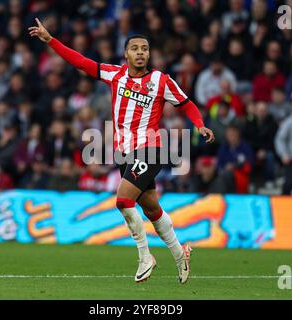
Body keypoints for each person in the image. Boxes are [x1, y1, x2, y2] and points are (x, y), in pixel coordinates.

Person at [29, 18, 215, 284]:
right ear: (126, 54)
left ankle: (144, 256)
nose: (141, 52)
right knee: (151, 209)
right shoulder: (114, 74)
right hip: (124, 153)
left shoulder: (161, 81)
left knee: (123, 201)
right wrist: (50, 40)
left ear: (149, 54)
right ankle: (179, 252)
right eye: (135, 48)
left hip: (150, 149)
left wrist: (200, 124)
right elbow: (81, 62)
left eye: (145, 49)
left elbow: (186, 104)